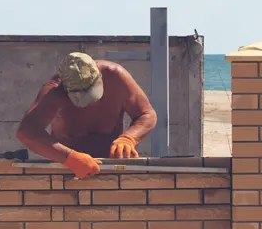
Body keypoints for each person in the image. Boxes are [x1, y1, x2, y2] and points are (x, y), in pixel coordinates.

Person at [16, 52, 157, 179]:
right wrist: (71, 159)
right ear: (65, 87)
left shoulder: (116, 77)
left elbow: (147, 114)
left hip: (110, 174)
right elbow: (27, 132)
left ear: (99, 76)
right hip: (69, 175)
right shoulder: (54, 92)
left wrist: (129, 138)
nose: (88, 103)